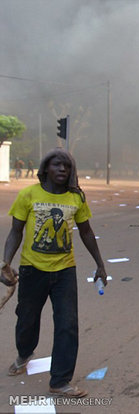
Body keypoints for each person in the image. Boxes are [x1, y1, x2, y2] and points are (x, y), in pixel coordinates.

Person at [1, 148, 107, 398]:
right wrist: (5, 262)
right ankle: (24, 354)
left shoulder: (76, 198)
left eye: (67, 166)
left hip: (65, 271)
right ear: (46, 168)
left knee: (67, 324)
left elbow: (86, 232)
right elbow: (16, 231)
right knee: (27, 319)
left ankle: (60, 380)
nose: (62, 169)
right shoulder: (29, 195)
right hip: (32, 269)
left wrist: (100, 264)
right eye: (57, 165)